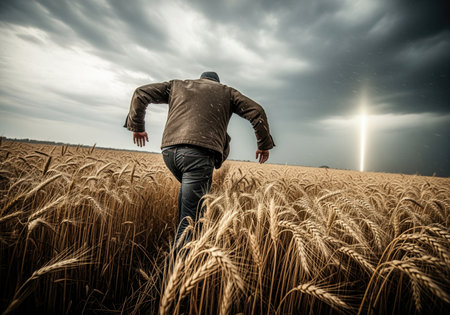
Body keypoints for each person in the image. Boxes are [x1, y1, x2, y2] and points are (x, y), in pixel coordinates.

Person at [124, 71, 275, 253]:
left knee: (187, 208)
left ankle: (179, 253)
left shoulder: (177, 85)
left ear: (201, 79)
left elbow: (141, 93)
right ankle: (171, 273)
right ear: (217, 82)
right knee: (191, 220)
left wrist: (138, 127)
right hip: (198, 155)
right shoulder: (227, 92)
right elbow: (256, 111)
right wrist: (263, 144)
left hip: (170, 153)